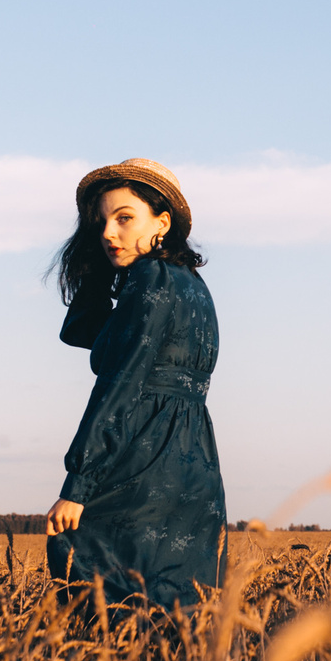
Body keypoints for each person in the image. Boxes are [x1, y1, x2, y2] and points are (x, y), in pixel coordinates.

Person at [44, 158, 227, 608]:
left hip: (143, 457)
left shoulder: (150, 280)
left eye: (125, 218)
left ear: (162, 222)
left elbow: (120, 384)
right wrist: (101, 269)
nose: (109, 233)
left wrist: (78, 484)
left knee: (89, 575)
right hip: (194, 464)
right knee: (177, 604)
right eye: (101, 223)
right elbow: (86, 334)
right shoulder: (191, 285)